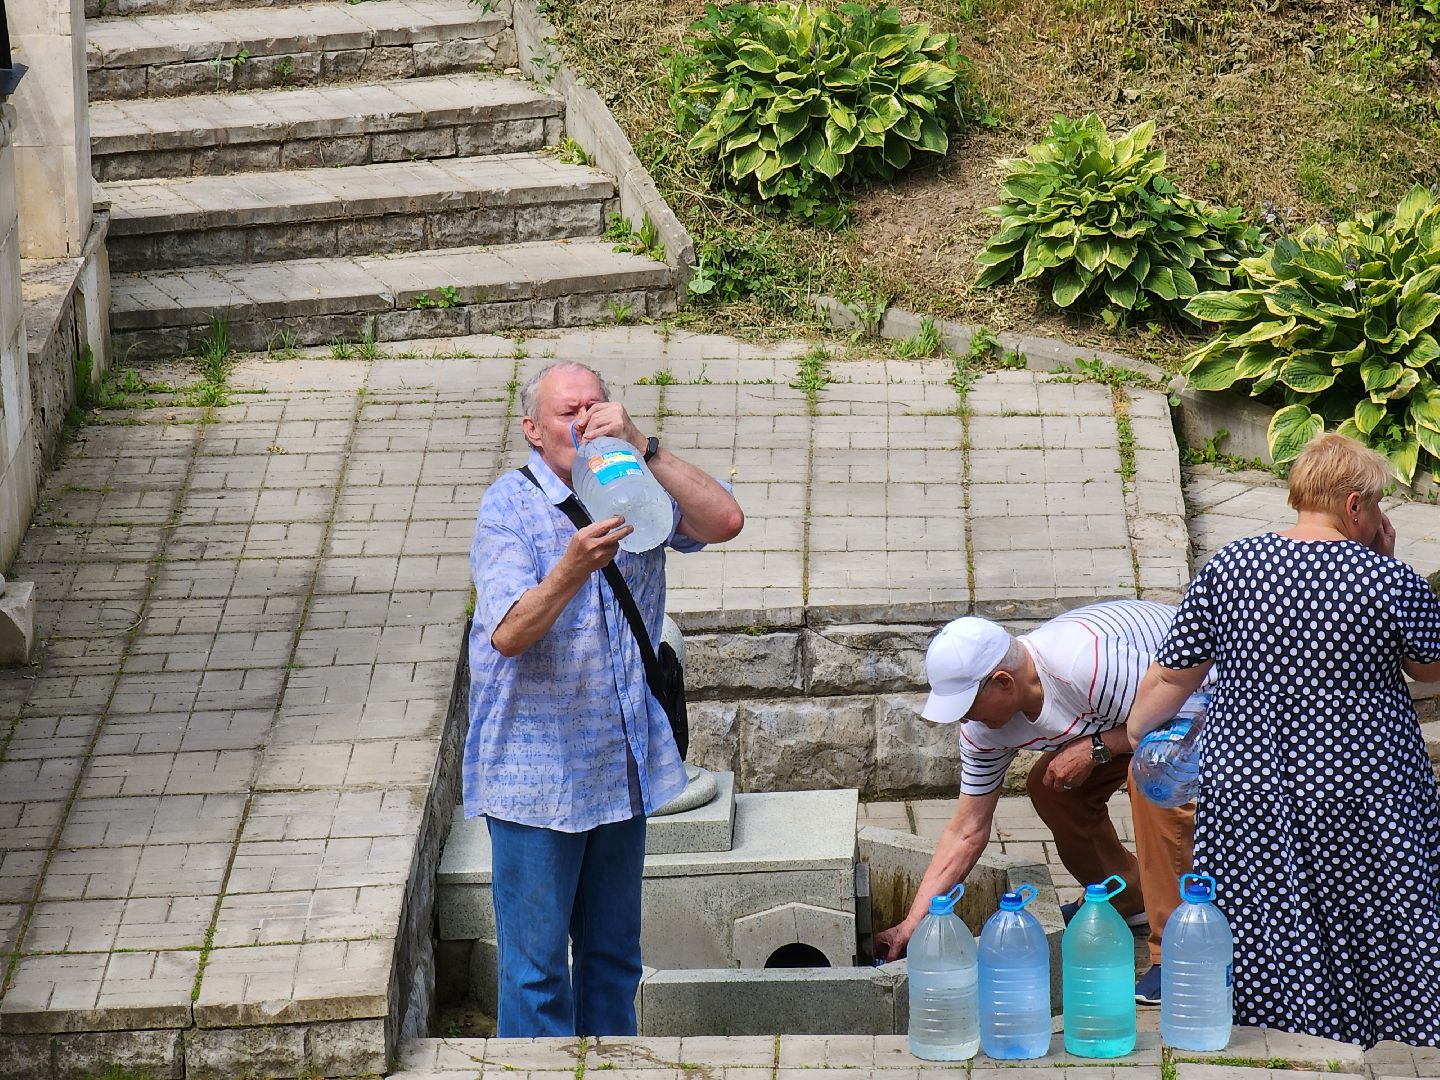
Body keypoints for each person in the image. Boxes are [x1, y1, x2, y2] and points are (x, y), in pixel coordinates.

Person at [1126, 433, 1440, 1047]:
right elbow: (1431, 669)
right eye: (1376, 507)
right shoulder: (1387, 580)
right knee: (1376, 914)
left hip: (1249, 784)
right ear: (1354, 507)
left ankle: (1278, 1037)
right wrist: (1390, 562)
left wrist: (1137, 735)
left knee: (1266, 915)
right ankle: (1384, 1032)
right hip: (1363, 787)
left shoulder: (1229, 566)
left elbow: (1172, 673)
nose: (1379, 518)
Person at [463, 360, 743, 1038]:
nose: (585, 419)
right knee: (535, 973)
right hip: (538, 779)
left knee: (614, 961)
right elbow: (507, 634)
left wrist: (645, 446)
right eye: (568, 411)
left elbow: (725, 520)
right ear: (533, 430)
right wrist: (569, 570)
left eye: (597, 405)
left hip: (621, 770)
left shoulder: (632, 484)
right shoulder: (508, 505)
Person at [875, 599, 1195, 1004]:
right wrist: (913, 924)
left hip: (1206, 697)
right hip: (1133, 719)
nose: (965, 720)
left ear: (1004, 682)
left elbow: (1180, 706)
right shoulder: (982, 731)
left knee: (1151, 778)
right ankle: (1129, 900)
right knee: (1050, 786)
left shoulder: (1085, 664)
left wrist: (1096, 748)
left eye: (968, 706)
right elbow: (966, 830)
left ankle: (1180, 951)